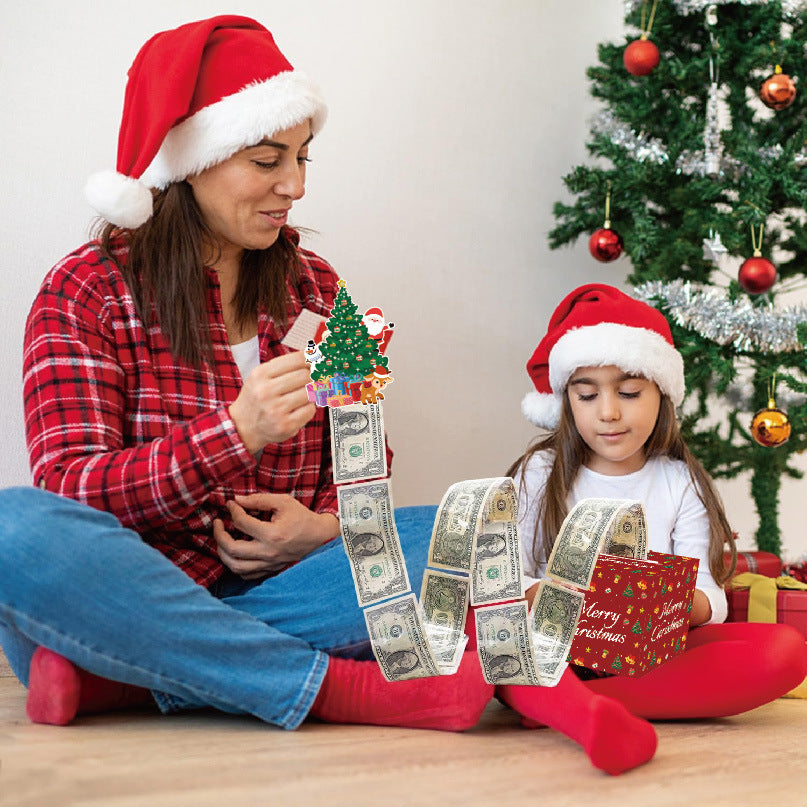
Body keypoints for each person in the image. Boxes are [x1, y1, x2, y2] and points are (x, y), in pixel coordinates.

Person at [0, 15, 495, 735]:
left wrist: (325, 529)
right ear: (191, 161)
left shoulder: (322, 292)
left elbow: (365, 465)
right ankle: (330, 686)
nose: (292, 185)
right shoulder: (85, 290)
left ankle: (126, 673)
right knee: (15, 529)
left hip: (290, 586)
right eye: (267, 160)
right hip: (130, 586)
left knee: (468, 532)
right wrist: (235, 432)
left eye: (302, 158)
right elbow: (72, 487)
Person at [506, 283, 807, 720]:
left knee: (785, 651)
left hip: (652, 654)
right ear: (566, 401)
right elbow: (505, 584)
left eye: (629, 393)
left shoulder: (679, 481)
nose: (607, 412)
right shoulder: (539, 474)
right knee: (496, 644)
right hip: (554, 645)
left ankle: (584, 707)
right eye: (586, 395)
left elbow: (710, 599)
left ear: (661, 395)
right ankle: (574, 700)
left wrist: (657, 604)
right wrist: (572, 600)